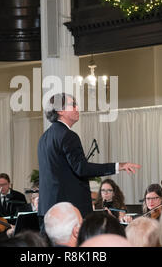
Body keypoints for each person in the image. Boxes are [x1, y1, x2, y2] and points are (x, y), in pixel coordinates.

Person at [38, 93, 141, 223]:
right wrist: (118, 166)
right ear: (60, 110)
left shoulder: (44, 138)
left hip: (47, 209)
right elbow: (82, 168)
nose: (77, 108)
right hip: (68, 211)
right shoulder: (68, 136)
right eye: (73, 104)